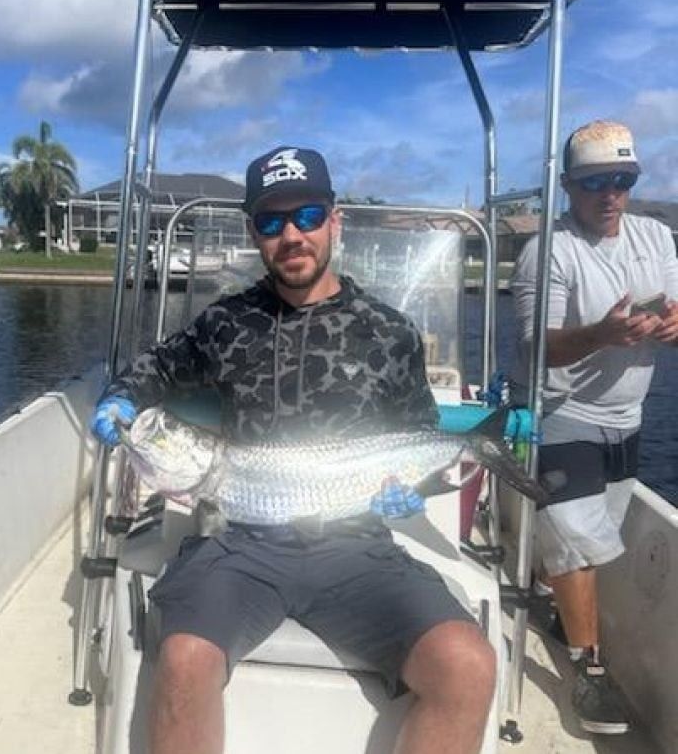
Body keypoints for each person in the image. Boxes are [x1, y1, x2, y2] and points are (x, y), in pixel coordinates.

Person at [92, 146, 496, 754]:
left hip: (357, 545)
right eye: (271, 221)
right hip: (242, 543)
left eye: (306, 215)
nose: (291, 235)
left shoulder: (388, 331)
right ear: (255, 232)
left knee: (468, 664)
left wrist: (413, 487)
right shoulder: (226, 322)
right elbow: (154, 369)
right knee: (182, 657)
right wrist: (121, 399)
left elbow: (421, 433)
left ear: (335, 219)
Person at [511, 120, 678, 735]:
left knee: (598, 533)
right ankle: (589, 668)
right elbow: (537, 349)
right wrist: (601, 335)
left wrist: (670, 326)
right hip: (564, 413)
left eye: (623, 181)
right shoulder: (547, 250)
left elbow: (675, 308)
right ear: (567, 186)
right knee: (579, 540)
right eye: (595, 183)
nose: (610, 195)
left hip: (628, 415)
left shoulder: (656, 236)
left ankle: (560, 609)